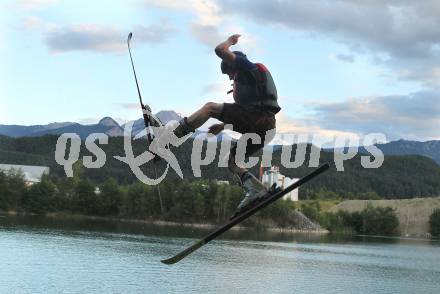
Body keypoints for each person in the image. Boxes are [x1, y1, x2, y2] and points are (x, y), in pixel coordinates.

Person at [153, 34, 281, 216]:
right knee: (232, 162)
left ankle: (170, 139)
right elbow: (246, 115)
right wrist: (223, 126)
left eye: (228, 73)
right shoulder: (251, 83)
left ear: (232, 65)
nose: (229, 77)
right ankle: (256, 189)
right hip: (267, 130)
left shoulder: (247, 68)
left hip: (260, 121)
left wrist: (230, 41)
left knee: (210, 108)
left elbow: (220, 50)